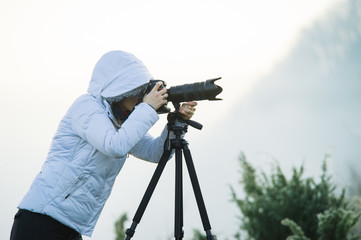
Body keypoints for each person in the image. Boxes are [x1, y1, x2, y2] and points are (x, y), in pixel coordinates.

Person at [10, 50, 197, 240]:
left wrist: (176, 123)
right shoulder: (86, 107)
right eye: (139, 91)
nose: (142, 97)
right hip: (41, 219)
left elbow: (155, 152)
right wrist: (147, 109)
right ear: (122, 90)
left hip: (72, 226)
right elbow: (114, 146)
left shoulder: (122, 122)